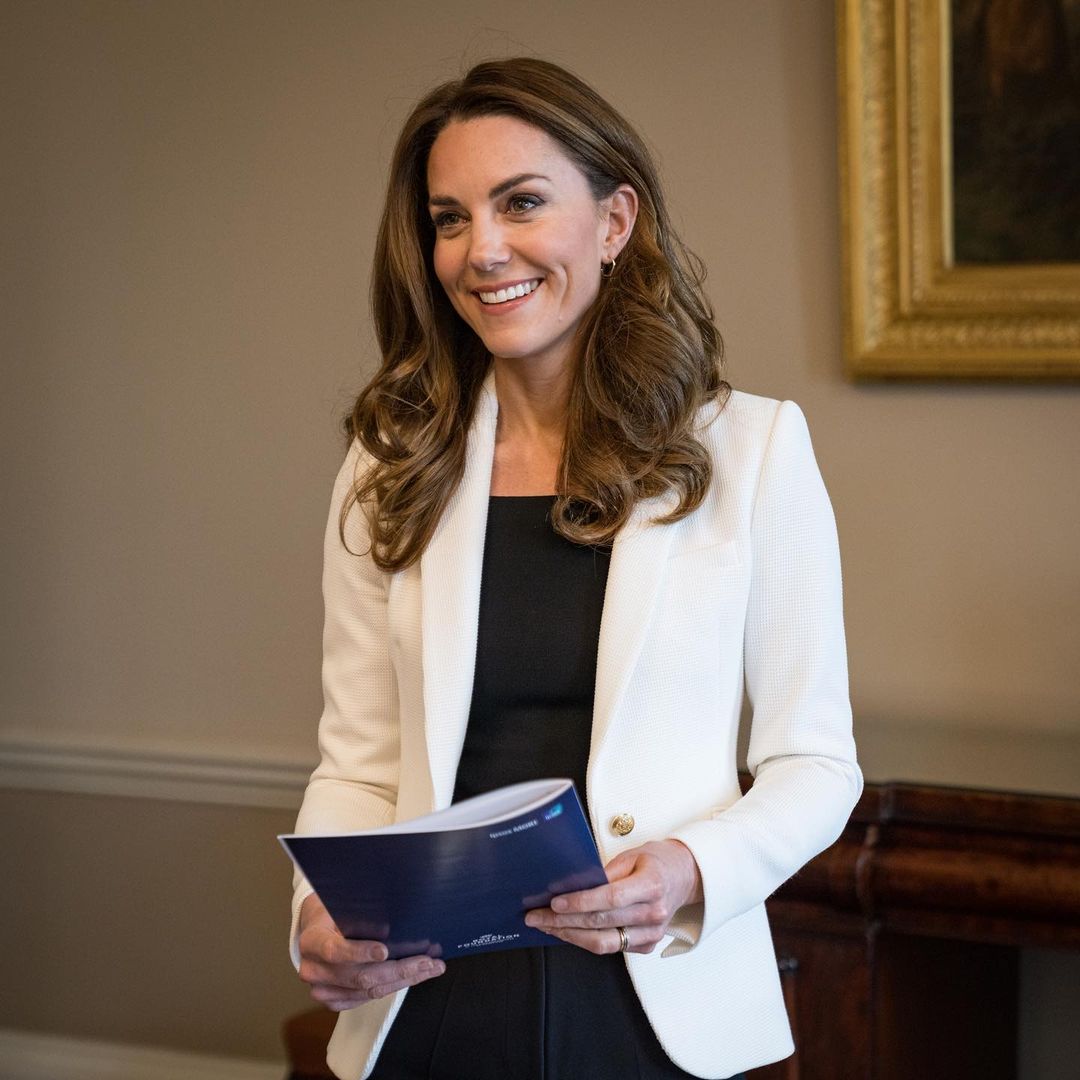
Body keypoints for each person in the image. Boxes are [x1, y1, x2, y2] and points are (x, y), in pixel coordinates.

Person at [289, 57, 862, 1080]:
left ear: (615, 221)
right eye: (450, 217)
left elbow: (815, 764)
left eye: (522, 203)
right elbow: (358, 765)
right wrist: (314, 918)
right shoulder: (388, 464)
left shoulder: (755, 452)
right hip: (427, 1010)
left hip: (651, 1000)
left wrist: (690, 870)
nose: (483, 249)